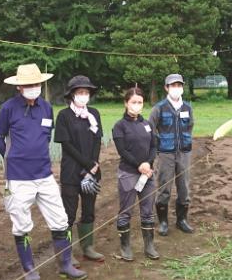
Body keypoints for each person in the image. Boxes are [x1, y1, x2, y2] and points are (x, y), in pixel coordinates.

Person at [0, 64, 86, 280]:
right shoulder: (8, 108)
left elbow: (45, 136)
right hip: (18, 177)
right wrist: (12, 156)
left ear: (40, 84)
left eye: (36, 83)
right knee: (21, 223)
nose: (32, 87)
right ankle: (29, 269)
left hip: (44, 174)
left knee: (60, 220)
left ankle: (65, 265)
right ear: (19, 87)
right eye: (28, 84)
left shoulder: (46, 107)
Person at [54, 75, 104, 262]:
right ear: (72, 95)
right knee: (69, 212)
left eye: (86, 92)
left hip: (92, 170)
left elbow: (97, 139)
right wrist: (87, 164)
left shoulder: (94, 114)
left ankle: (88, 247)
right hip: (71, 171)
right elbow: (67, 145)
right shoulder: (64, 116)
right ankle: (66, 253)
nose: (84, 95)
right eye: (80, 92)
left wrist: (94, 165)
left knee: (89, 210)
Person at [112, 87, 159, 261]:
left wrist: (148, 163)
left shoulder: (147, 124)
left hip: (147, 174)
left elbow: (154, 146)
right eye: (133, 102)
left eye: (140, 102)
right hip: (129, 174)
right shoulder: (120, 126)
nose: (137, 106)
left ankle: (149, 246)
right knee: (126, 211)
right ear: (126, 103)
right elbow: (122, 151)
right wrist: (138, 165)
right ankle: (125, 247)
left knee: (147, 211)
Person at [148, 73, 194, 236]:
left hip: (184, 153)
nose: (176, 88)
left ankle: (182, 220)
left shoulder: (188, 108)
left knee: (184, 188)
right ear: (166, 88)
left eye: (179, 85)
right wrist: (157, 147)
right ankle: (163, 222)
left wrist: (185, 142)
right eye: (173, 85)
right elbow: (150, 129)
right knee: (164, 187)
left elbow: (190, 127)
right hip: (166, 154)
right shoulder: (159, 108)